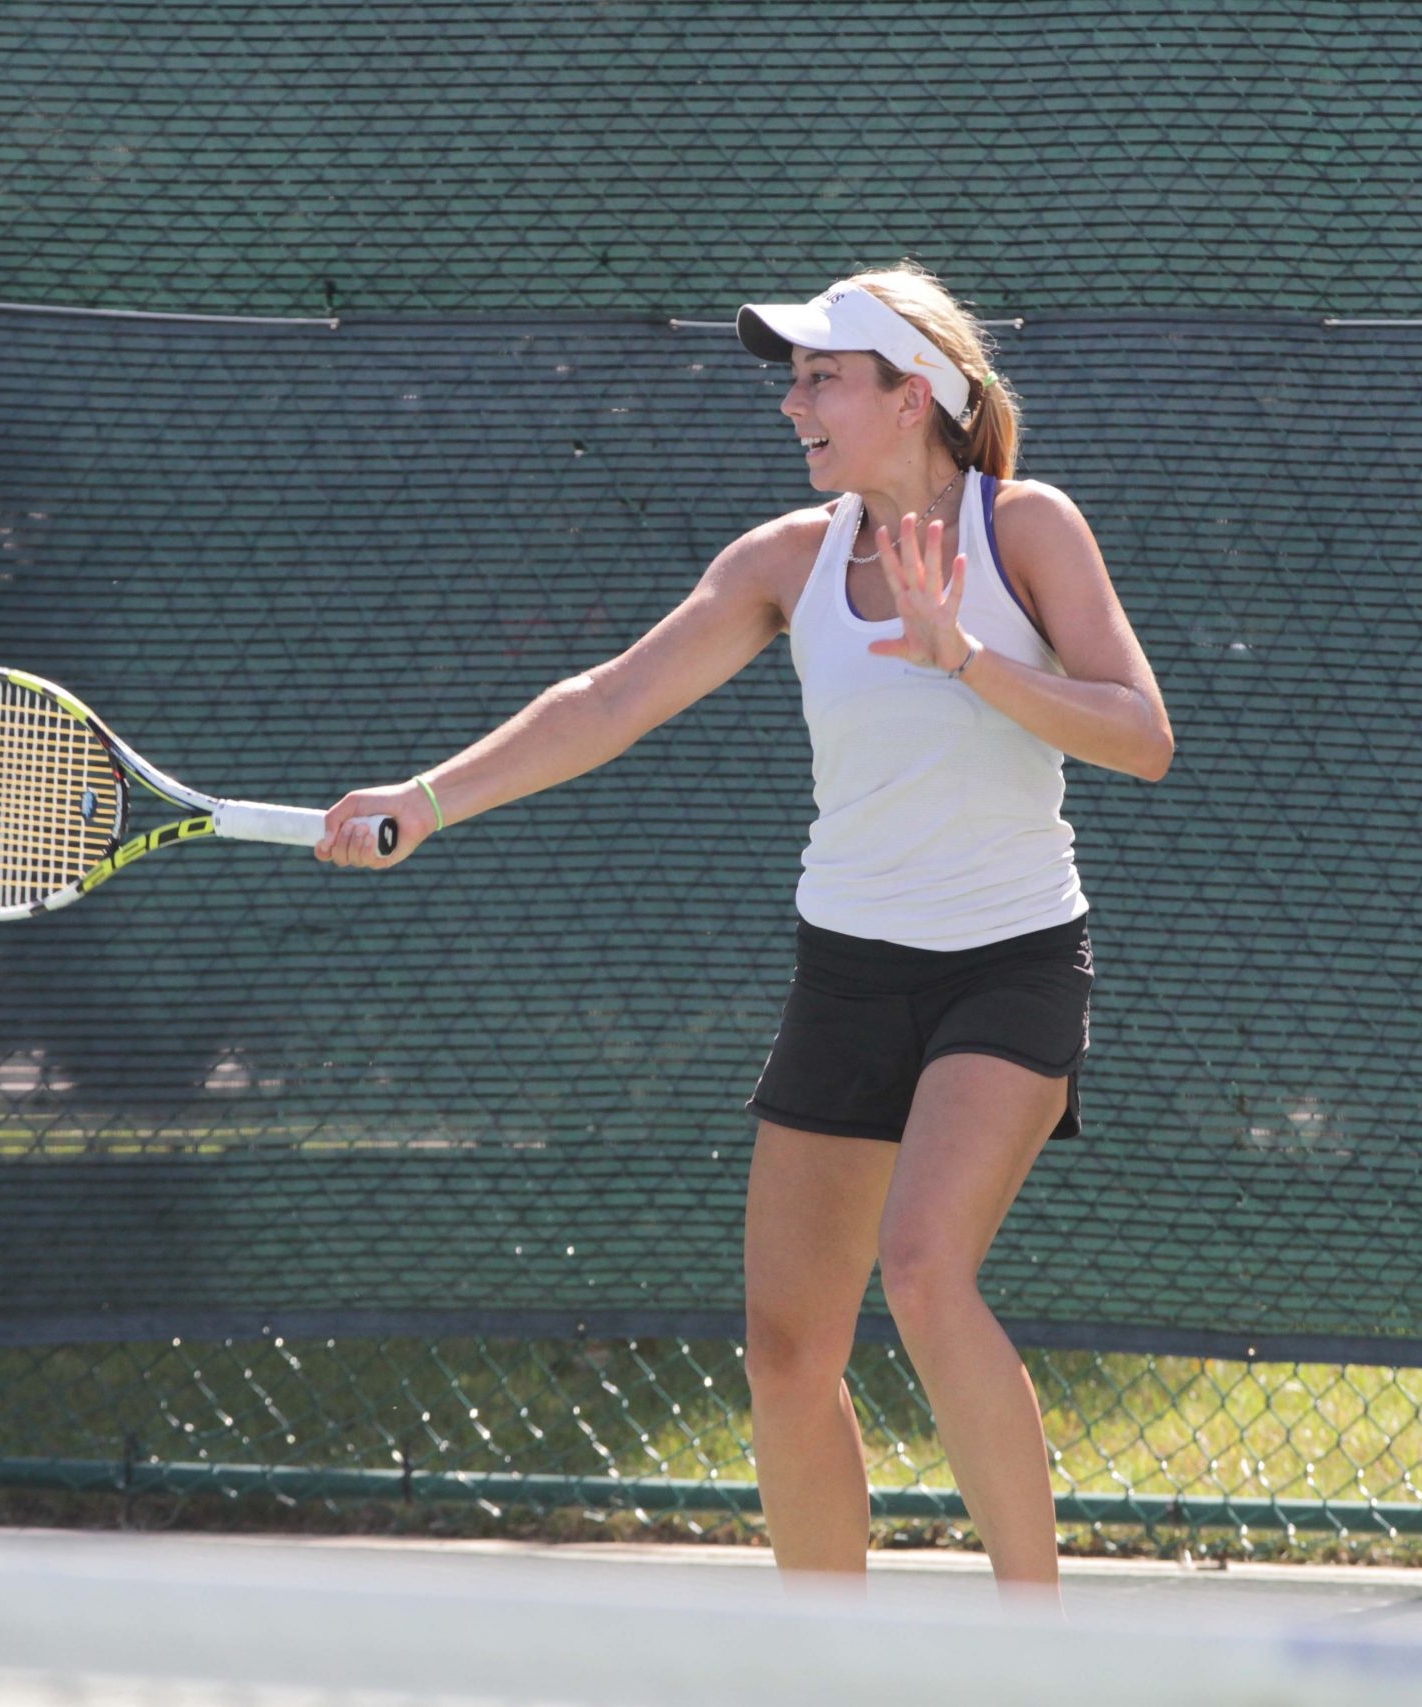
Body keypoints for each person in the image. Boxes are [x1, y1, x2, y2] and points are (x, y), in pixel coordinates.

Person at [314, 264, 1173, 1598]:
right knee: (786, 1353)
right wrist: (427, 801)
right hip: (849, 968)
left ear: (918, 393)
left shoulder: (1029, 530)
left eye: (824, 376)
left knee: (926, 1273)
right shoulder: (787, 561)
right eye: (794, 377)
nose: (794, 403)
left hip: (1009, 962)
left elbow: (1143, 736)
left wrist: (973, 663)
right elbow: (605, 702)